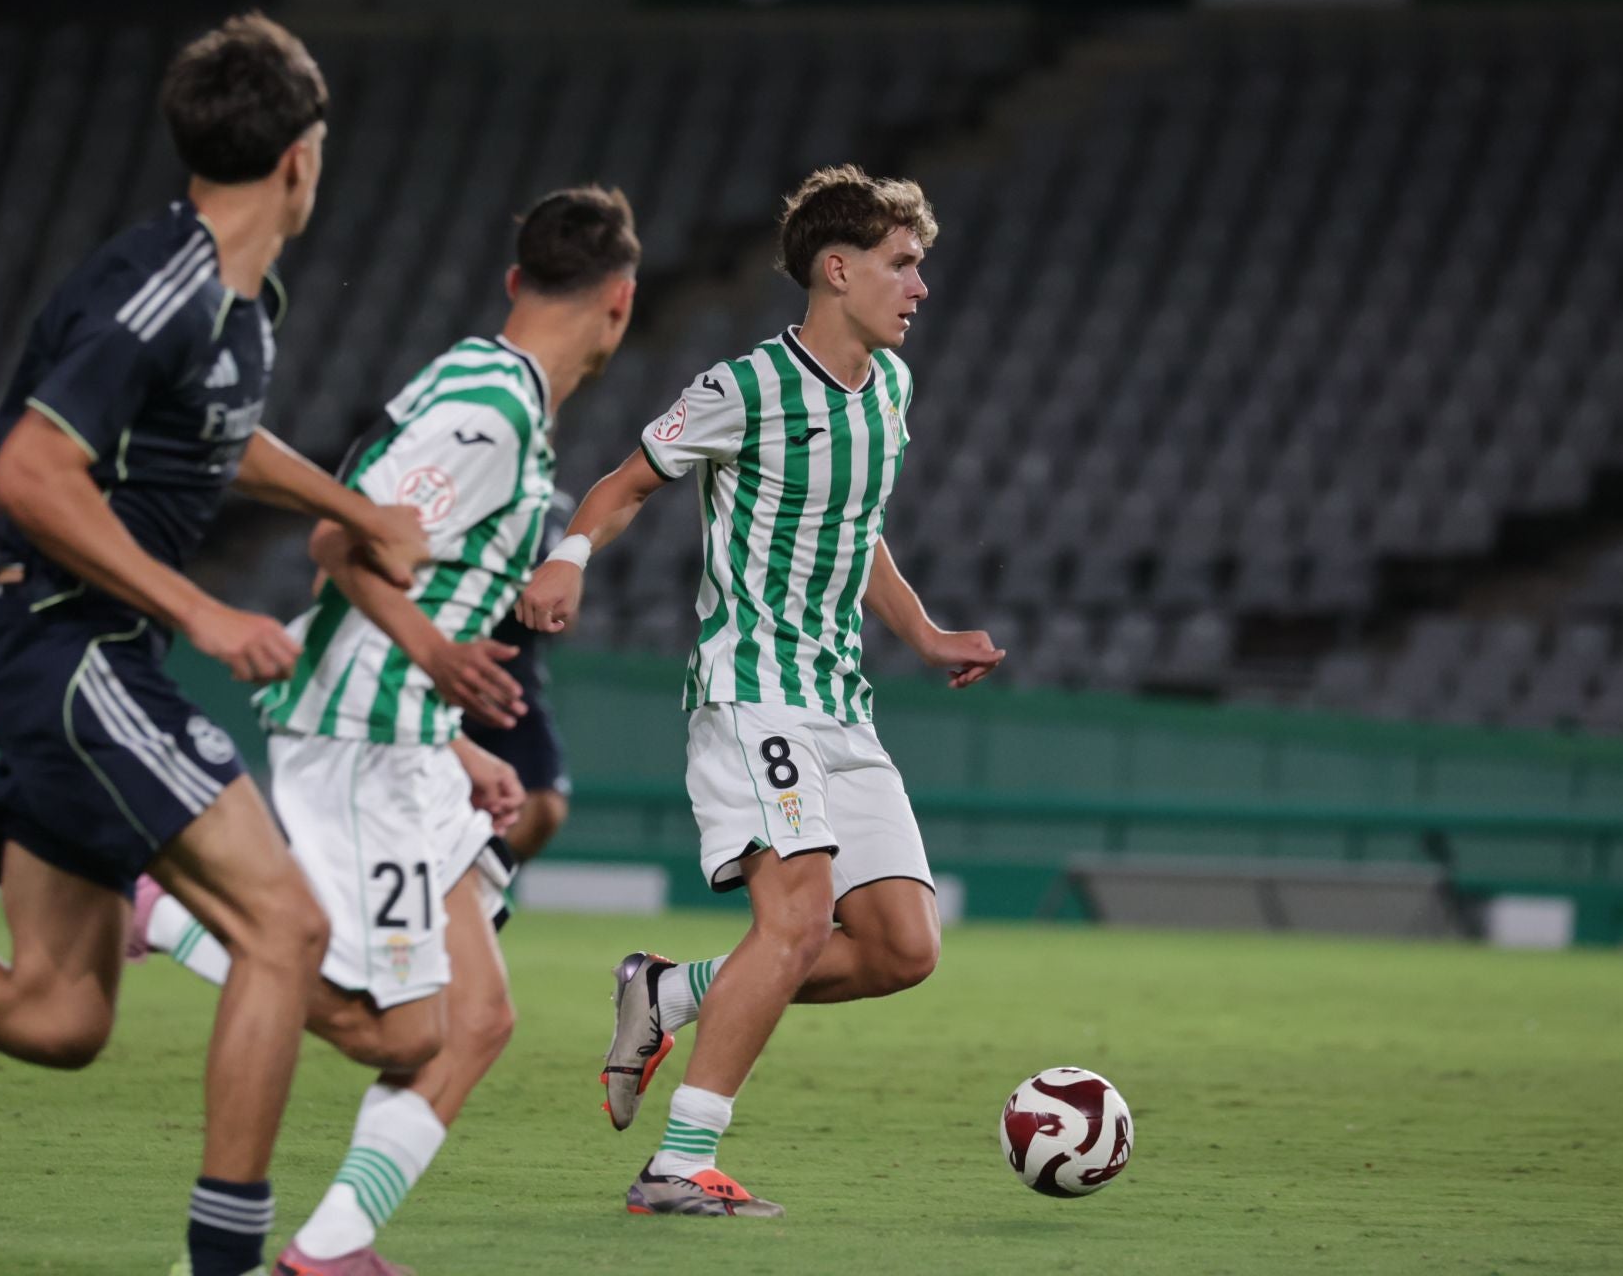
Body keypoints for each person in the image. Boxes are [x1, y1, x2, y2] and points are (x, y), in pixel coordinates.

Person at [0, 16, 429, 1276]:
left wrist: (352, 506)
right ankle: (228, 1265)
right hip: (75, 648)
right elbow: (29, 470)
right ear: (302, 159)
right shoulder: (159, 285)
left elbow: (223, 438)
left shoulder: (240, 300)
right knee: (284, 928)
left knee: (55, 1012)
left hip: (74, 655)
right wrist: (205, 610)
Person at [130, 186, 641, 1274]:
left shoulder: (499, 398)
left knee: (483, 1015)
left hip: (408, 734)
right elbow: (336, 543)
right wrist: (437, 662)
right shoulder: (490, 412)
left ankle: (330, 1248)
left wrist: (459, 738)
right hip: (360, 737)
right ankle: (175, 911)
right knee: (403, 1030)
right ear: (621, 303)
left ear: (516, 282)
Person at [515, 165, 1005, 1218]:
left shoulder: (892, 389)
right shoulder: (745, 389)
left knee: (901, 948)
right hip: (752, 690)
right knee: (797, 917)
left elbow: (853, 524)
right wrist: (568, 558)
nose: (921, 287)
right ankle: (679, 1162)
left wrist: (919, 630)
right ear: (837, 269)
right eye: (903, 264)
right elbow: (625, 481)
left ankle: (669, 990)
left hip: (842, 701)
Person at [460, 487, 580, 862]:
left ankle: (475, 898)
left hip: (513, 684)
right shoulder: (463, 489)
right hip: (444, 672)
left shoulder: (554, 508)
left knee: (541, 807)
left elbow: (564, 615)